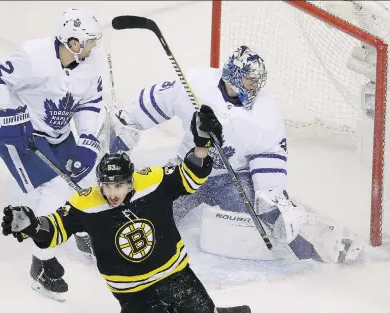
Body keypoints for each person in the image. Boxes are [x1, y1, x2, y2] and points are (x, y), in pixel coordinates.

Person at [109, 45, 364, 264]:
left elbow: (270, 153)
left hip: (232, 178)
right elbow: (156, 100)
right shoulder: (196, 85)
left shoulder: (266, 110)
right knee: (157, 206)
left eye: (258, 80)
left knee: (272, 217)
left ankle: (321, 244)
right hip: (189, 169)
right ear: (233, 76)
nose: (256, 86)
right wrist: (126, 126)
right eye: (250, 79)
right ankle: (107, 232)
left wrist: (270, 196)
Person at [0, 105, 251, 313]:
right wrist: (33, 227)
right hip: (133, 292)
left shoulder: (152, 181)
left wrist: (202, 145)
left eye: (118, 185)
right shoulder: (86, 204)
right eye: (106, 186)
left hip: (176, 275)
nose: (112, 193)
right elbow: (53, 230)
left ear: (131, 180)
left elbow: (191, 177)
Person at [0, 8, 107, 300]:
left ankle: (82, 228)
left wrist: (86, 140)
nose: (93, 46)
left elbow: (91, 102)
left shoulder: (91, 61)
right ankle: (41, 263)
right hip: (21, 137)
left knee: (84, 180)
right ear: (72, 42)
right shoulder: (33, 57)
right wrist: (8, 115)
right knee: (55, 190)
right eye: (88, 41)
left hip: (59, 135)